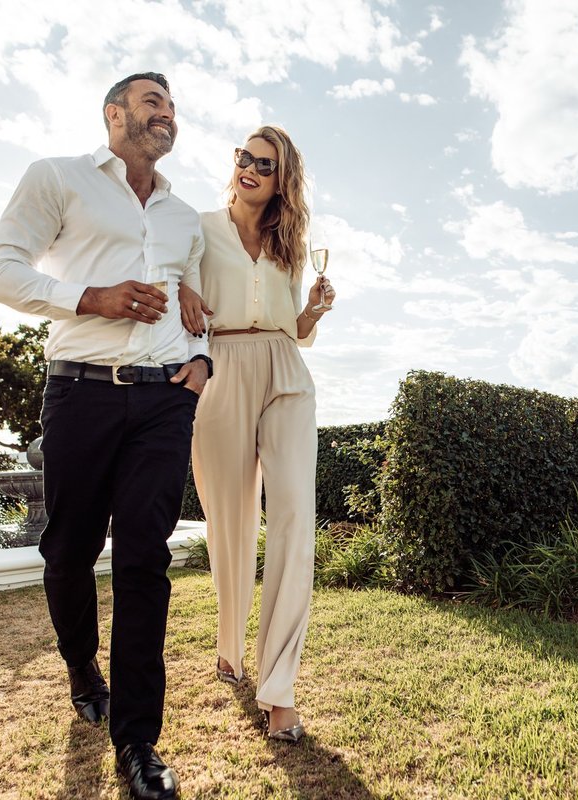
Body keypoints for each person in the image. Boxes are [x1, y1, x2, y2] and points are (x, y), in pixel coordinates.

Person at [0, 72, 210, 800]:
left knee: (146, 560)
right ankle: (82, 667)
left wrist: (202, 361)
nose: (166, 115)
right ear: (114, 114)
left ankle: (139, 742)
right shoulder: (57, 178)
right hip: (78, 391)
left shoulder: (184, 218)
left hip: (164, 403)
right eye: (152, 103)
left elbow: (194, 305)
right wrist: (91, 298)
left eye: (171, 107)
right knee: (70, 549)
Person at [179, 125, 335, 743]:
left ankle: (279, 690)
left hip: (286, 371)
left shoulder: (290, 243)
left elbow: (289, 327)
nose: (248, 168)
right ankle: (230, 643)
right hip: (220, 368)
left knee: (295, 515)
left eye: (263, 164)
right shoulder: (197, 228)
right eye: (244, 157)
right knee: (230, 521)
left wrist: (313, 313)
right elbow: (181, 292)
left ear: (281, 179)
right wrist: (185, 291)